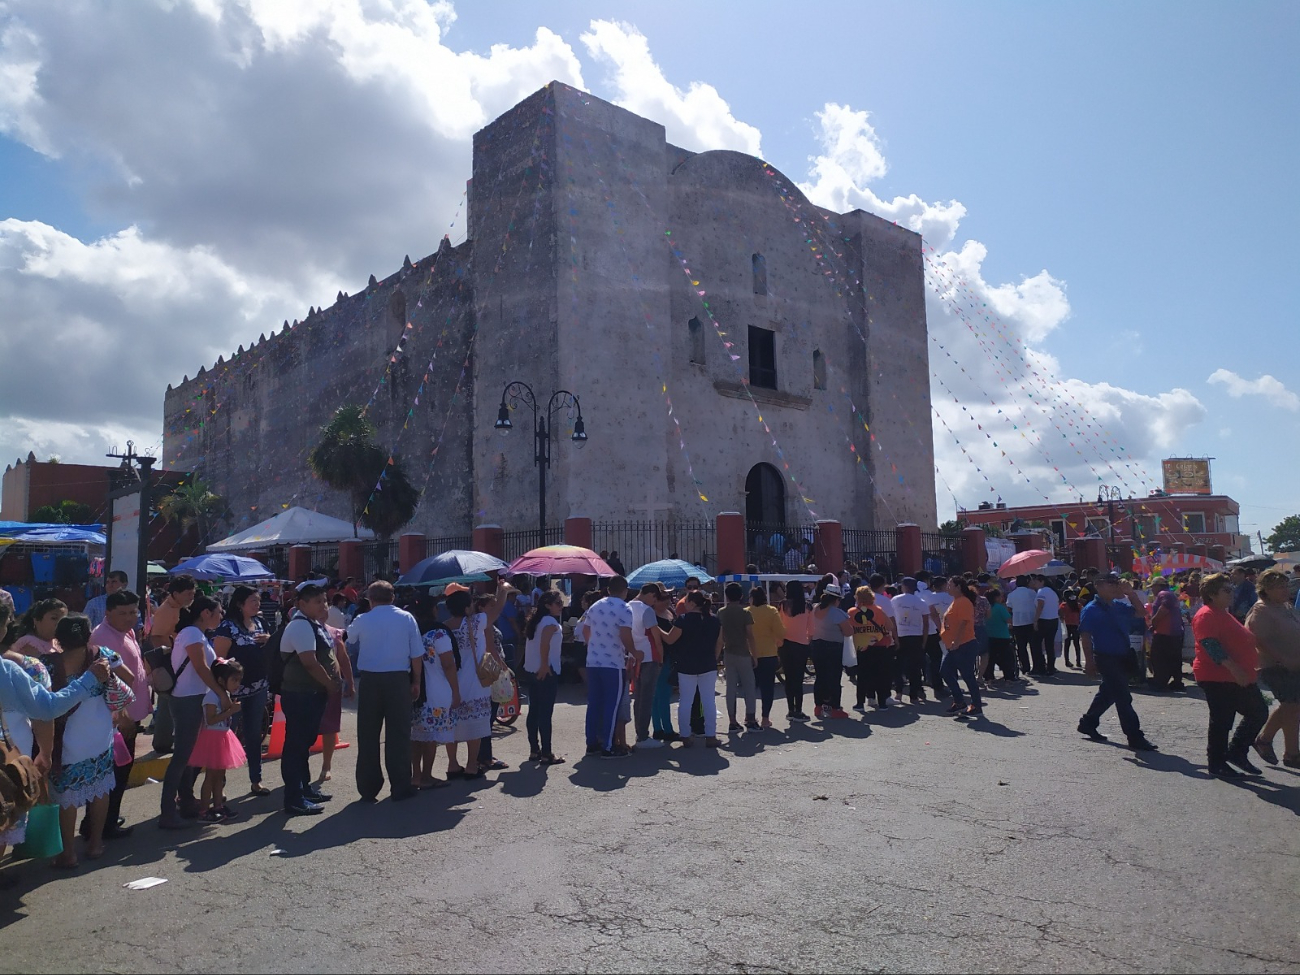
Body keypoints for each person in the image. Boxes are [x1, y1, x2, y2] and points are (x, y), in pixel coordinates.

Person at [46, 614, 136, 868]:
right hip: (99, 734)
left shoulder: (48, 664)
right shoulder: (102, 654)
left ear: (58, 639)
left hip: (65, 741)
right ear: (88, 636)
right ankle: (95, 844)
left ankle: (68, 853)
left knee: (67, 796)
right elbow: (129, 678)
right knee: (99, 789)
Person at [346, 580, 422, 803]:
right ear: (393, 597)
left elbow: (350, 638)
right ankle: (400, 785)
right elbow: (416, 654)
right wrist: (416, 681)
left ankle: (368, 788)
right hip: (398, 678)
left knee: (368, 733)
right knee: (399, 733)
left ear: (370, 599)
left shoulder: (363, 619)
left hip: (370, 679)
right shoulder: (407, 618)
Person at [160, 594, 229, 829]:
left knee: (190, 756)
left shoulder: (197, 634)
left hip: (194, 698)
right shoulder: (191, 633)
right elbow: (200, 667)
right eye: (218, 612)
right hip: (187, 699)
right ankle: (167, 813)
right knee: (182, 757)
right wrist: (221, 692)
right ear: (205, 613)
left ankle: (186, 801)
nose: (221, 616)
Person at [1192, 572, 1267, 777]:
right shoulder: (1206, 614)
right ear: (1212, 594)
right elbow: (1211, 645)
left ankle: (1236, 752)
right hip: (1218, 676)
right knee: (1223, 720)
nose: (1231, 593)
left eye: (1231, 589)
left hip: (1237, 676)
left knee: (1257, 712)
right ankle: (1217, 763)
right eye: (1226, 590)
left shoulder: (1222, 612)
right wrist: (1235, 669)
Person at [88, 589, 150, 838]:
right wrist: (122, 716)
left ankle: (104, 820)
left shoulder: (127, 632)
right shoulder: (102, 637)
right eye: (122, 613)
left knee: (120, 772)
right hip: (118, 718)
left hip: (131, 713)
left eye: (133, 612)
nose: (129, 617)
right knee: (115, 774)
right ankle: (103, 825)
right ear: (108, 613)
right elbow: (106, 683)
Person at [1077, 574, 1158, 752]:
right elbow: (1085, 636)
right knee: (1123, 696)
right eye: (1110, 583)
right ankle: (1134, 736)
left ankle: (1088, 722)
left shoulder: (1117, 606)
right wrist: (1089, 662)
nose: (1115, 587)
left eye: (1116, 583)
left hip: (1122, 656)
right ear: (1098, 586)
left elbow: (1141, 612)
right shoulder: (1091, 609)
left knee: (1109, 692)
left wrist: (1131, 593)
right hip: (1106, 657)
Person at [278, 585, 341, 815]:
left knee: (303, 745)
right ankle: (294, 798)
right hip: (301, 695)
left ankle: (304, 789)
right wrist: (329, 683)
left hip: (311, 694)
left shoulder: (313, 624)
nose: (323, 605)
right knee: (296, 746)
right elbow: (309, 662)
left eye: (324, 601)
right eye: (317, 601)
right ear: (301, 604)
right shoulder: (301, 625)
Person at [443, 578, 511, 778]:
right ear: (467, 605)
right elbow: (496, 609)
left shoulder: (444, 627)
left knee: (452, 726)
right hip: (474, 681)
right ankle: (472, 765)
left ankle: (452, 764)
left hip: (451, 681)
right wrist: (503, 591)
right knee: (476, 726)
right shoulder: (475, 623)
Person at [211, 586, 272, 796]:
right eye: (252, 601)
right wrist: (222, 693)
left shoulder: (261, 623)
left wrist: (269, 641)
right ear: (239, 604)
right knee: (226, 736)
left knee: (254, 736)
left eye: (258, 600)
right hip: (234, 693)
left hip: (258, 689)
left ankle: (256, 780)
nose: (257, 604)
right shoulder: (227, 628)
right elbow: (218, 661)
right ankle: (219, 785)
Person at [1245, 569, 1300, 768]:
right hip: (1275, 666)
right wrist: (1281, 659)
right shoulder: (1262, 610)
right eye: (1279, 587)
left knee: (1293, 707)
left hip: (1294, 664)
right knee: (1291, 705)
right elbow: (1256, 639)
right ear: (1266, 590)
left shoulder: (1284, 606)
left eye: (1285, 586)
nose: (1285, 590)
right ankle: (1266, 740)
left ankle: (1291, 753)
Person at [578, 576, 636, 758]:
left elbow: (585, 630)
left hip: (593, 661)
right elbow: (625, 634)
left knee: (594, 703)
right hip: (613, 663)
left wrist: (593, 645)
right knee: (612, 704)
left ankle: (592, 742)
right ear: (625, 591)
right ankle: (608, 746)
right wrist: (634, 652)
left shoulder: (595, 606)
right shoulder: (625, 608)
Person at [187, 659, 247, 822]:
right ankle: (204, 811)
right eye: (234, 680)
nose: (237, 684)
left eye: (239, 680)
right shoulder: (211, 697)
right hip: (213, 738)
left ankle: (218, 806)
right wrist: (231, 711)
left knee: (220, 775)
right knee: (211, 776)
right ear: (221, 680)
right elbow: (211, 720)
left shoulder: (224, 694)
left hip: (223, 737)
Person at [145, 575, 197, 755]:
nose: (191, 597)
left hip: (174, 659)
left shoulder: (178, 608)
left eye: (193, 593)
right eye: (188, 593)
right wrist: (172, 651)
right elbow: (157, 637)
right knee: (167, 702)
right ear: (175, 593)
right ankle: (161, 742)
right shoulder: (167, 611)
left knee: (169, 702)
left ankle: (164, 740)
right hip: (168, 662)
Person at [661, 590, 721, 747]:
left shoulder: (683, 620)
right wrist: (714, 658)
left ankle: (685, 736)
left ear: (692, 603)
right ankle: (711, 735)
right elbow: (719, 643)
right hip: (708, 663)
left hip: (686, 664)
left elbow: (669, 639)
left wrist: (656, 628)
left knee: (685, 701)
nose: (684, 603)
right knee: (708, 701)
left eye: (686, 601)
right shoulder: (714, 620)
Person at [522, 590, 565, 765]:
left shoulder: (536, 620)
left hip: (532, 669)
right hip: (546, 670)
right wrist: (545, 664)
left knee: (534, 711)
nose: (561, 607)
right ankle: (547, 752)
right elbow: (544, 643)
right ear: (548, 605)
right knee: (545, 713)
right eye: (558, 603)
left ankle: (534, 750)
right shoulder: (549, 622)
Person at [939, 577, 983, 719]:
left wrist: (956, 641)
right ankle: (959, 701)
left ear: (958, 587)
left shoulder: (963, 601)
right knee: (945, 671)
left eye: (950, 585)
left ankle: (976, 705)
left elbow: (964, 623)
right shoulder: (955, 601)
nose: (948, 587)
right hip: (954, 645)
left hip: (964, 644)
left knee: (967, 676)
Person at [718, 582, 758, 733]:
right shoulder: (745, 613)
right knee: (749, 687)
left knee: (730, 689)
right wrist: (755, 655)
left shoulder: (721, 612)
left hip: (728, 652)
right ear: (741, 596)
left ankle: (732, 721)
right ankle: (751, 718)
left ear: (726, 596)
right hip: (743, 652)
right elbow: (750, 636)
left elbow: (720, 637)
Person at [629, 584, 666, 749]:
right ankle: (643, 735)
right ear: (650, 594)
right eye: (654, 598)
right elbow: (656, 637)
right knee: (647, 698)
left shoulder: (627, 606)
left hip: (633, 656)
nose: (654, 602)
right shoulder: (647, 610)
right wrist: (661, 657)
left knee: (638, 697)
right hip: (649, 655)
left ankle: (640, 732)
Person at [809, 586, 852, 721]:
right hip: (833, 648)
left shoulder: (814, 608)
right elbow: (849, 632)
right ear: (836, 600)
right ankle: (835, 707)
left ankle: (818, 706)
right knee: (834, 678)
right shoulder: (837, 613)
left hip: (816, 645)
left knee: (820, 677)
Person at [747, 587, 785, 729]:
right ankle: (765, 718)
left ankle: (749, 716)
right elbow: (781, 633)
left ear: (751, 598)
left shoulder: (747, 612)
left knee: (750, 687)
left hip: (750, 654)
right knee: (767, 688)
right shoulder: (772, 611)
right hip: (769, 653)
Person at [850, 587, 893, 711]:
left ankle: (860, 703)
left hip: (861, 647)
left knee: (863, 676)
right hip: (879, 646)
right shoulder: (879, 610)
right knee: (880, 675)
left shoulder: (852, 612)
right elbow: (890, 626)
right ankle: (882, 703)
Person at [892, 578, 930, 704]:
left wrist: (894, 637)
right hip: (916, 636)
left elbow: (891, 620)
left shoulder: (895, 600)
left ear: (903, 586)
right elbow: (925, 624)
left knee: (898, 665)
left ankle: (899, 692)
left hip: (900, 635)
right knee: (915, 667)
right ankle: (914, 695)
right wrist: (924, 641)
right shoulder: (921, 602)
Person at [778, 583, 812, 721]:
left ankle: (790, 710)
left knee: (789, 678)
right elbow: (812, 629)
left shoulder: (782, 605)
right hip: (801, 645)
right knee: (798, 679)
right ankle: (799, 710)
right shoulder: (807, 606)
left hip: (785, 644)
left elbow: (779, 624)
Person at [1146, 578, 1186, 691]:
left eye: (1153, 587)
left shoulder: (1164, 594)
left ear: (1159, 586)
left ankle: (1160, 681)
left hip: (1165, 633)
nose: (1152, 590)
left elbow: (1164, 608)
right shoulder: (1171, 594)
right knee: (1174, 658)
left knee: (1159, 658)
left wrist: (1154, 621)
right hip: (1174, 633)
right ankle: (1176, 682)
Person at [1005, 577, 1038, 676]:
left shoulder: (1011, 594)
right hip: (1031, 621)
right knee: (1034, 645)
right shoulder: (1032, 593)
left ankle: (1025, 666)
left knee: (1021, 646)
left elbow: (1009, 608)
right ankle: (1036, 666)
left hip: (1018, 622)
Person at [983, 588, 1017, 682]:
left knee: (991, 657)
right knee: (1006, 657)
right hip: (1002, 635)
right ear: (996, 598)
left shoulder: (986, 607)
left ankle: (989, 676)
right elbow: (1009, 620)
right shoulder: (1000, 608)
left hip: (989, 635)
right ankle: (1009, 676)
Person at [1032, 575, 1061, 677]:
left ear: (1041, 581)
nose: (1034, 584)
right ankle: (1050, 668)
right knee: (1049, 645)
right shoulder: (1053, 592)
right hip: (1053, 620)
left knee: (1036, 644)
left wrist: (1035, 620)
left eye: (1035, 582)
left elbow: (1040, 606)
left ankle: (1040, 667)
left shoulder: (1042, 592)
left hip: (1044, 620)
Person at [1059, 590, 1083, 669]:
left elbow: (1060, 614)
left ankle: (1067, 661)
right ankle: (1078, 661)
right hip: (1076, 625)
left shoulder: (1063, 605)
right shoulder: (1078, 605)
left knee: (1067, 644)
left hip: (1067, 626)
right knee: (1077, 644)